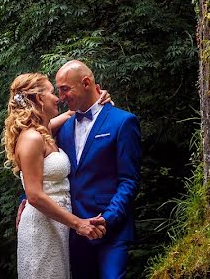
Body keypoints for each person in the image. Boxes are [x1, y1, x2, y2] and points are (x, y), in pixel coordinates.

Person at [3, 73, 107, 279]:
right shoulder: (31, 138)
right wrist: (79, 223)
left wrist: (100, 96)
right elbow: (34, 195)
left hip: (56, 225)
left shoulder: (45, 131)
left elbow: (72, 113)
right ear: (39, 99)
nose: (58, 98)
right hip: (41, 227)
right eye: (52, 92)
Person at [55, 60, 142, 279]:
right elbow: (45, 170)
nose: (60, 97)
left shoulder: (123, 122)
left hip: (111, 230)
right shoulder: (63, 128)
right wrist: (26, 197)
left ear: (86, 83)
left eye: (65, 89)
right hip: (75, 231)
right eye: (58, 91)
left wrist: (108, 218)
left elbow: (129, 180)